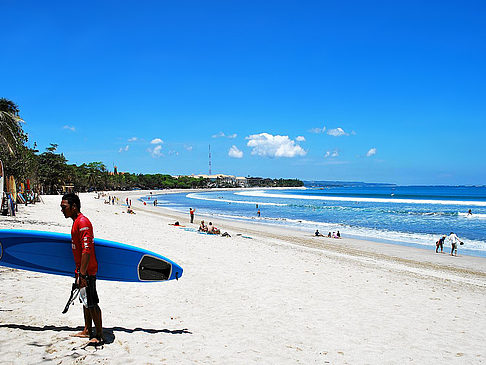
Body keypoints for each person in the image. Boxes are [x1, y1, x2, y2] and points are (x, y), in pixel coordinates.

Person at [60, 193, 103, 345]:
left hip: (88, 271)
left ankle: (98, 334)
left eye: (64, 207)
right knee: (85, 301)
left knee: (92, 302)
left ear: (74, 207)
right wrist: (79, 272)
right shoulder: (76, 222)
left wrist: (83, 274)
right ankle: (87, 330)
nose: (62, 210)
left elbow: (87, 250)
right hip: (81, 270)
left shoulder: (83, 222)